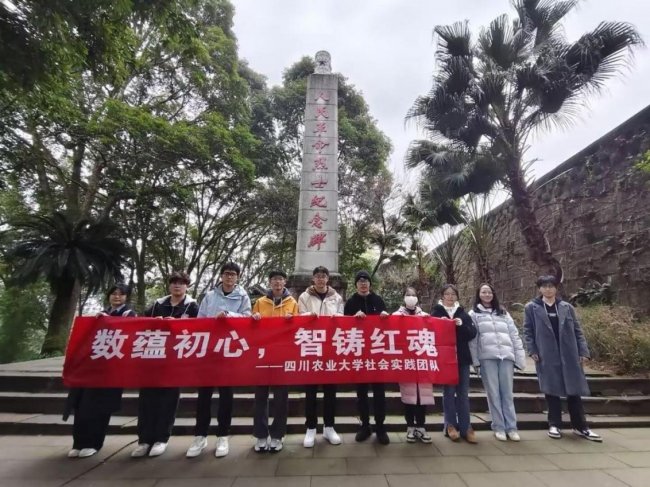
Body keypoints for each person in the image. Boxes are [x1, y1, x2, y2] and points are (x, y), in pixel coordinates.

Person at [523, 275, 602, 442]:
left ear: (556, 288)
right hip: (546, 353)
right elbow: (528, 331)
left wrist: (583, 351)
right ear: (540, 289)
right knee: (552, 390)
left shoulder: (566, 307)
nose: (548, 289)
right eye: (545, 286)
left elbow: (578, 330)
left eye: (551, 286)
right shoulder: (532, 307)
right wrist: (532, 350)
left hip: (569, 353)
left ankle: (581, 426)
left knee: (574, 391)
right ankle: (554, 424)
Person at [186, 262, 252, 458]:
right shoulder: (209, 296)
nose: (229, 277)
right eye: (226, 274)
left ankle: (223, 435)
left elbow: (247, 317)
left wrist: (229, 315)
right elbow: (200, 320)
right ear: (221, 276)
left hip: (230, 350)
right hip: (209, 350)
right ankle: (200, 436)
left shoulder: (243, 296)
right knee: (204, 395)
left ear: (238, 277)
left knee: (226, 395)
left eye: (233, 274)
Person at [132, 271, 199, 458]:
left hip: (175, 359)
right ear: (169, 285)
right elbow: (141, 324)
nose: (177, 286)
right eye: (174, 282)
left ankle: (161, 438)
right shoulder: (157, 305)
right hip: (152, 358)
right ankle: (144, 440)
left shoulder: (192, 306)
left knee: (168, 400)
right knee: (147, 399)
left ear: (187, 286)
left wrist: (176, 325)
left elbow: (199, 329)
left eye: (181, 283)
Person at [64, 283, 136, 458]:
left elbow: (128, 336)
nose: (117, 297)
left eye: (121, 294)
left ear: (126, 297)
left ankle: (94, 443)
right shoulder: (101, 314)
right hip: (90, 368)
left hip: (110, 370)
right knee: (81, 405)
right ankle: (79, 443)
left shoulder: (129, 315)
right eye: (114, 293)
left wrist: (107, 322)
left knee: (100, 407)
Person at [469, 283, 526, 442]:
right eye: (483, 292)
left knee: (507, 394)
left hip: (506, 357)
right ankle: (499, 427)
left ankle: (512, 428)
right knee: (493, 394)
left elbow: (514, 335)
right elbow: (473, 340)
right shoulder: (474, 313)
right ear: (479, 294)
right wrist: (475, 361)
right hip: (487, 358)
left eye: (489, 292)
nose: (487, 294)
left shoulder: (503, 313)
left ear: (493, 294)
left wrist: (519, 357)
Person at [250, 270, 298, 453]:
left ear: (285, 282)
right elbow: (251, 327)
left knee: (281, 398)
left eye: (280, 279)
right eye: (274, 280)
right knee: (260, 396)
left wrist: (292, 321)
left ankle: (277, 435)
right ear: (269, 282)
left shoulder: (292, 303)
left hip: (282, 355)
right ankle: (261, 435)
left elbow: (298, 329)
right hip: (262, 355)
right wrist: (254, 319)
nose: (277, 282)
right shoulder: (260, 302)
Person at [298, 266, 344, 448]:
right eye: (317, 276)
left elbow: (342, 316)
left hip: (331, 348)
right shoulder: (304, 297)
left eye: (323, 276)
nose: (320, 279)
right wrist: (308, 316)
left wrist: (337, 317)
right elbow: (299, 317)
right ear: (313, 279)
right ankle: (310, 428)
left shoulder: (336, 297)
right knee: (311, 391)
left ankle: (329, 427)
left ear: (327, 279)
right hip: (311, 347)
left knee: (330, 391)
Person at [343, 270, 391, 445]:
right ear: (356, 284)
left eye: (366, 281)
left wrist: (385, 317)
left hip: (377, 354)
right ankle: (364, 425)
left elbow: (388, 327)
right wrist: (353, 319)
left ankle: (380, 427)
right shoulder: (350, 302)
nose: (363, 284)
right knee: (361, 393)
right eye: (360, 281)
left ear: (370, 284)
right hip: (359, 354)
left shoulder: (378, 300)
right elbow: (343, 327)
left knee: (379, 393)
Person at [431, 284, 477, 443]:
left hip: (462, 358)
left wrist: (461, 325)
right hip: (445, 360)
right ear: (442, 296)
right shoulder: (436, 312)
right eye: (447, 294)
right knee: (449, 393)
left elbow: (472, 333)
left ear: (457, 296)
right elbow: (429, 332)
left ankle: (466, 427)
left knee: (463, 393)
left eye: (453, 294)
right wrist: (440, 324)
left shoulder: (463, 313)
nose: (450, 297)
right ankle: (450, 425)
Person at [393, 287, 433, 443]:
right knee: (409, 395)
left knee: (423, 395)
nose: (411, 297)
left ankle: (421, 426)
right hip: (406, 362)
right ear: (403, 297)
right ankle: (410, 426)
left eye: (413, 295)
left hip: (422, 361)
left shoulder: (425, 316)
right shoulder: (396, 316)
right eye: (408, 295)